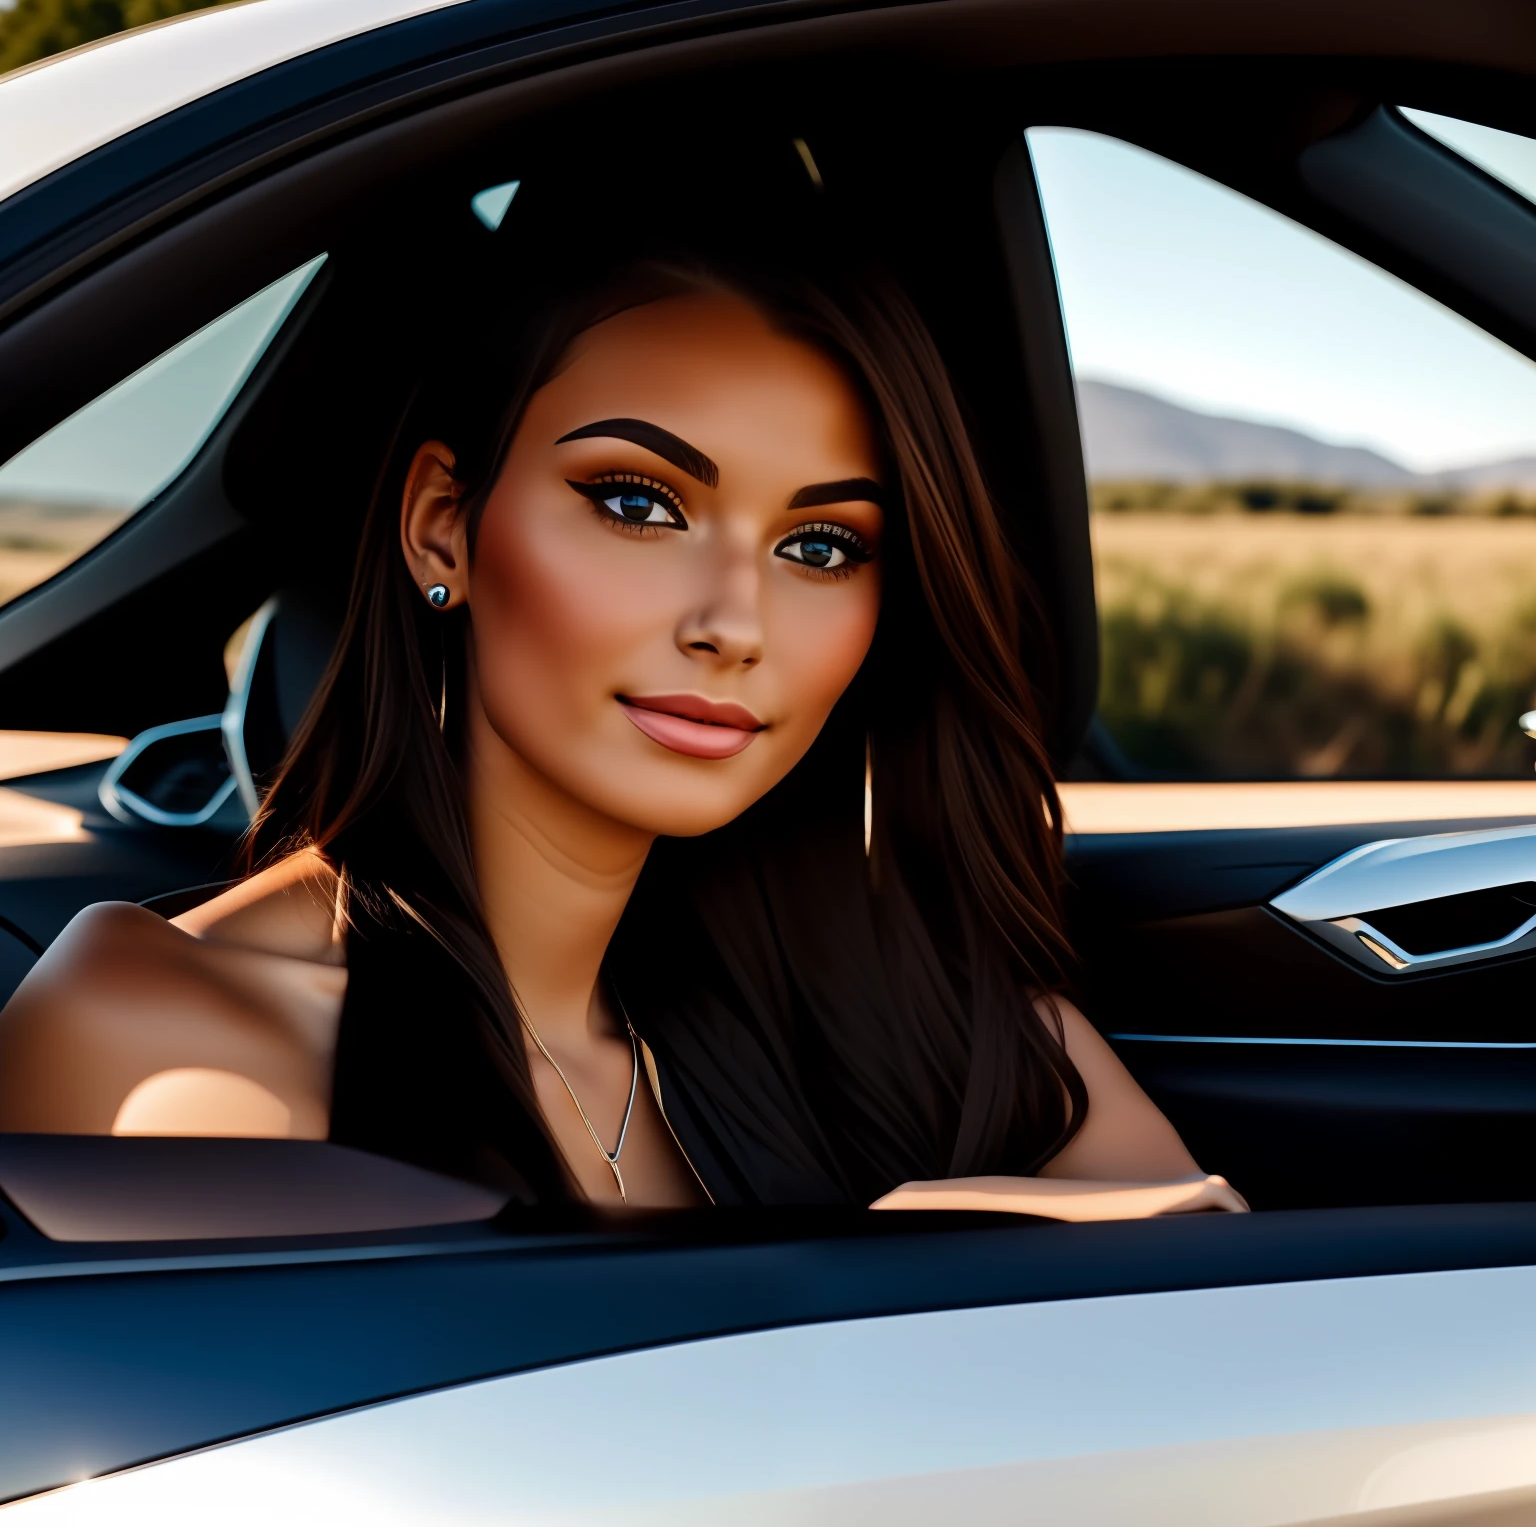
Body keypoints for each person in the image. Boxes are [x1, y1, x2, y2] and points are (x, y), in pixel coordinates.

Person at [0, 241, 1243, 1216]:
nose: (734, 623)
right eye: (640, 503)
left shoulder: (911, 1021)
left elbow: (1223, 1319)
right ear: (445, 526)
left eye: (821, 546)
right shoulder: (166, 1033)